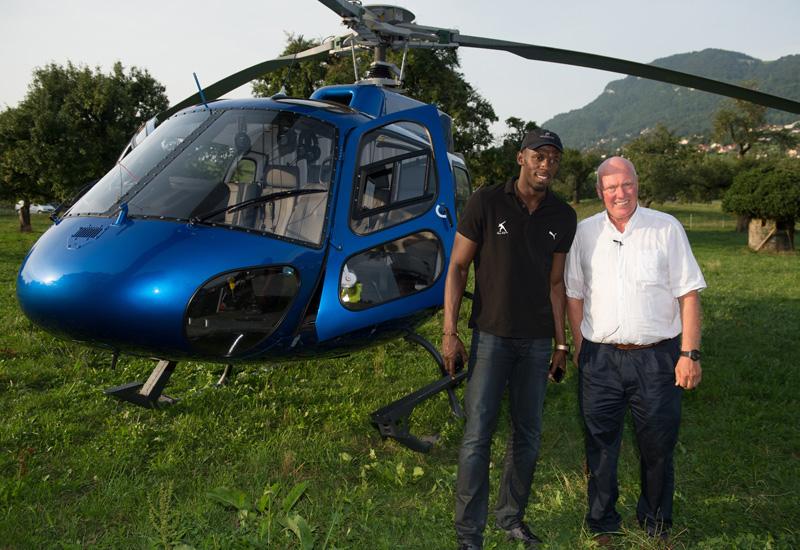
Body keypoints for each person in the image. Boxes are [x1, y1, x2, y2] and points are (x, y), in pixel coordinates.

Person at [442, 129, 577, 550]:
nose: (546, 164)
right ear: (521, 158)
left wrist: (560, 344)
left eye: (553, 158)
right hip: (491, 337)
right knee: (478, 434)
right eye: (539, 155)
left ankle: (511, 517)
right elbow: (458, 268)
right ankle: (468, 534)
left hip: (537, 342)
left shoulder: (562, 216)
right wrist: (450, 332)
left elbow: (557, 285)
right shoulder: (486, 201)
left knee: (528, 436)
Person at [564, 156, 705, 544]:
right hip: (601, 359)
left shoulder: (667, 228)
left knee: (657, 445)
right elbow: (574, 295)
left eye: (626, 185)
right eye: (611, 187)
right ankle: (602, 520)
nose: (619, 193)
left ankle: (655, 521)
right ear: (599, 191)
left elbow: (688, 294)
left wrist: (689, 353)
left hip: (658, 357)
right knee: (600, 443)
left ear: (637, 186)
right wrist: (580, 347)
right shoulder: (585, 233)